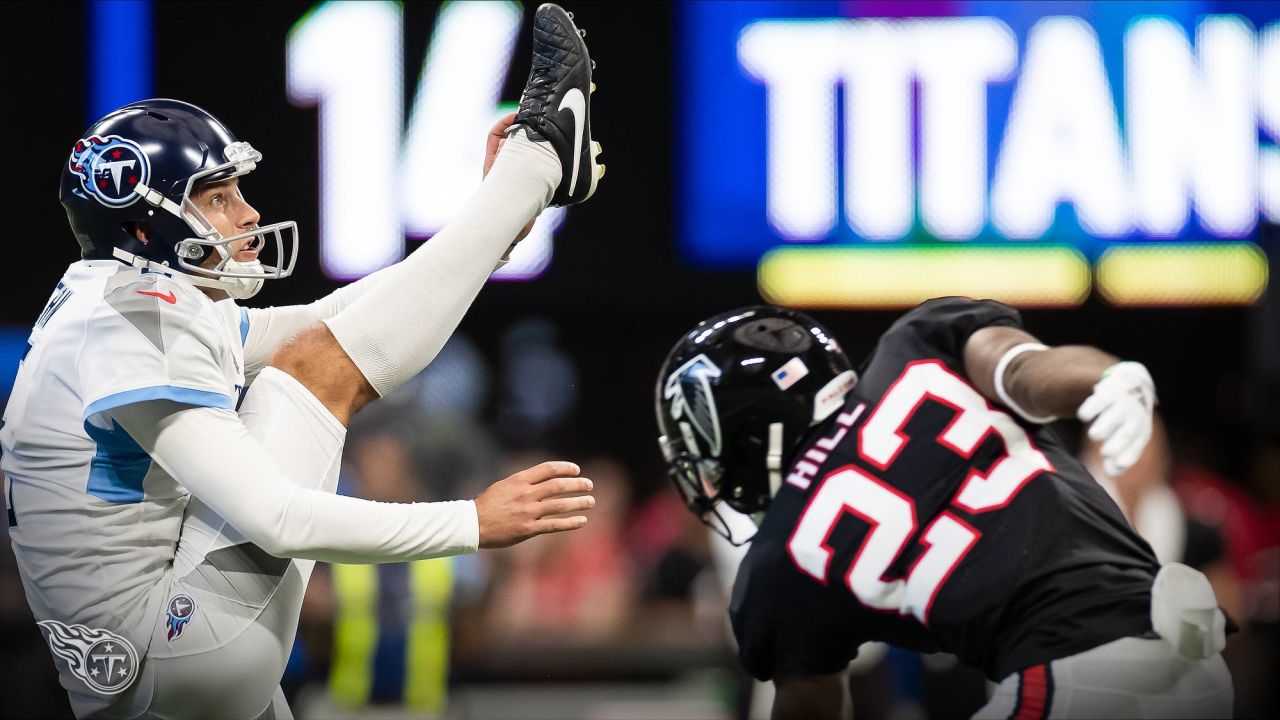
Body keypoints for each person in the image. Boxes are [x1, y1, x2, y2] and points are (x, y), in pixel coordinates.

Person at [1, 4, 602, 718]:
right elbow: (279, 515)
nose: (248, 215)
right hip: (173, 650)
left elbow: (328, 320)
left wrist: (486, 231)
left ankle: (529, 175)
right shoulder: (133, 319)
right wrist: (472, 522)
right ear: (143, 226)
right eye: (219, 198)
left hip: (151, 659)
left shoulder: (120, 298)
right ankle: (539, 158)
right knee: (312, 370)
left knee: (310, 350)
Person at [654, 298, 1234, 719]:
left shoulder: (777, 565)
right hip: (1191, 650)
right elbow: (1024, 370)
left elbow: (811, 707)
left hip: (1069, 676)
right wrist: (1105, 378)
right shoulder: (918, 346)